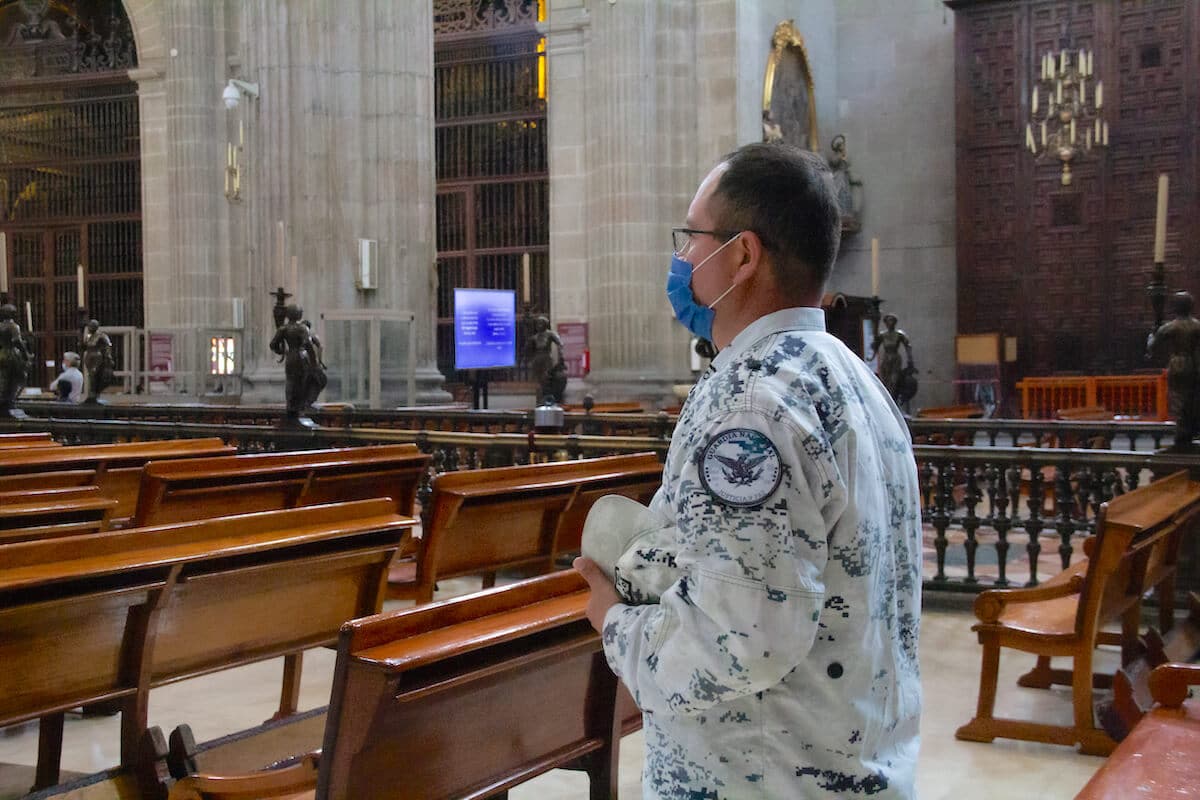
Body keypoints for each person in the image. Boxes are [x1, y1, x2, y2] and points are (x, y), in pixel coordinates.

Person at [574, 142, 922, 798]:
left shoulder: (753, 400)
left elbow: (738, 641)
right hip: (853, 766)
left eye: (690, 238)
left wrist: (612, 621)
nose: (681, 259)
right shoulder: (850, 376)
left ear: (741, 254)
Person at [1147, 291, 1200, 448]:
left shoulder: (1171, 327)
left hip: (1177, 364)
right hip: (1195, 365)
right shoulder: (1197, 326)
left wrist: (1151, 335)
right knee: (1192, 399)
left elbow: (1153, 347)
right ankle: (1190, 430)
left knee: (1178, 399)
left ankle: (1182, 433)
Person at [871, 313, 914, 405]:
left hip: (895, 358)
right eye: (888, 321)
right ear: (886, 323)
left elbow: (908, 346)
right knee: (885, 381)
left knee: (894, 380)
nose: (890, 323)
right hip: (886, 359)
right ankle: (886, 400)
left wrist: (910, 359)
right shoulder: (883, 335)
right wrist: (872, 355)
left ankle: (892, 400)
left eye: (892, 321)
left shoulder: (899, 334)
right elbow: (875, 346)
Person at [526, 315, 567, 404]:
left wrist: (561, 355)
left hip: (546, 359)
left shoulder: (550, 334)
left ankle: (549, 397)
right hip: (537, 360)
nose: (539, 325)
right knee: (540, 381)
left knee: (547, 378)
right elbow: (529, 350)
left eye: (541, 323)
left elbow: (560, 343)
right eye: (538, 324)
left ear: (545, 324)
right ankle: (542, 398)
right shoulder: (535, 337)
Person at [0, 304, 32, 413]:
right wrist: (26, 354)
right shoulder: (13, 326)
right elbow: (17, 341)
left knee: (4, 379)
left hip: (1, 354)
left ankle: (4, 401)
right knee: (17, 378)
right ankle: (10, 401)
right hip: (12, 354)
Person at [80, 318, 114, 403]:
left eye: (91, 326)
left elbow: (108, 346)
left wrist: (108, 357)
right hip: (89, 355)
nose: (90, 328)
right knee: (90, 375)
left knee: (95, 374)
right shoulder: (88, 336)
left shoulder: (101, 335)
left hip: (97, 356)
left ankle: (94, 393)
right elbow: (85, 346)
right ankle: (92, 393)